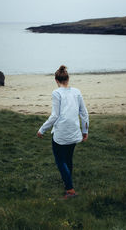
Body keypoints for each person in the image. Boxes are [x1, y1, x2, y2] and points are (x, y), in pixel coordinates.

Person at [37, 65, 89, 199]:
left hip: (61, 133)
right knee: (68, 158)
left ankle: (70, 190)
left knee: (60, 160)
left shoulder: (56, 93)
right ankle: (68, 182)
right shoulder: (77, 91)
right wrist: (85, 131)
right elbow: (84, 113)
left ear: (56, 80)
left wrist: (42, 129)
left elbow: (54, 116)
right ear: (68, 78)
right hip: (74, 132)